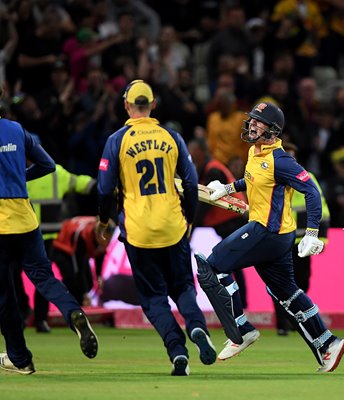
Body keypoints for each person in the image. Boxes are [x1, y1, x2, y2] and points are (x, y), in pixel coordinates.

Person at [196, 101, 344, 373]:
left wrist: (313, 233)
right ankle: (328, 343)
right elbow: (253, 180)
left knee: (211, 266)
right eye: (251, 119)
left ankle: (241, 330)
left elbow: (311, 191)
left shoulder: (282, 160)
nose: (252, 124)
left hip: (267, 231)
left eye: (258, 121)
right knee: (287, 293)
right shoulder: (255, 153)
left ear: (273, 130)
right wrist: (227, 188)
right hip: (276, 236)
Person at [95, 79, 216, 376]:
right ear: (152, 105)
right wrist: (189, 219)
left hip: (138, 232)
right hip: (173, 226)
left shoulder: (117, 140)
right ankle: (197, 328)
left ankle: (177, 352)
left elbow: (104, 188)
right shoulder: (172, 137)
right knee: (184, 287)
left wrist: (104, 220)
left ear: (126, 105)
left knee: (153, 298)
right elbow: (190, 183)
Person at [1, 110, 98, 375]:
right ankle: (73, 313)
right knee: (43, 277)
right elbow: (48, 165)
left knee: (5, 296)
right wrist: (20, 177)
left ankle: (20, 359)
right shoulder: (17, 130)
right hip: (25, 219)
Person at [12, 163, 96, 333]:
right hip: (51, 238)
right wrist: (105, 183)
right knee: (45, 278)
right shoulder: (55, 172)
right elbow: (82, 184)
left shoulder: (16, 172)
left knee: (13, 275)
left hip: (24, 234)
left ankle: (24, 314)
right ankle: (43, 318)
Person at [273, 141, 330, 336]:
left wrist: (322, 238)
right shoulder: (272, 178)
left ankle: (295, 319)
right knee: (280, 282)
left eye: (292, 155)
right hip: (280, 239)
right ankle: (283, 323)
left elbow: (322, 208)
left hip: (302, 241)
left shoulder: (308, 178)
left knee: (302, 282)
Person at [187, 137, 248, 308]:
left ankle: (241, 303)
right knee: (233, 263)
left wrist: (191, 226)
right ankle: (241, 302)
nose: (190, 155)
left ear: (201, 151)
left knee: (232, 263)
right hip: (229, 222)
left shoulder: (213, 171)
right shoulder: (208, 168)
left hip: (232, 220)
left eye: (192, 150)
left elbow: (204, 203)